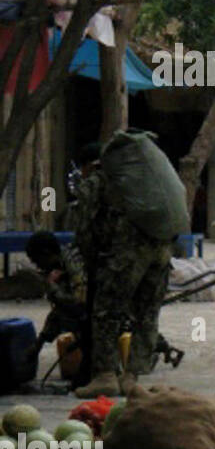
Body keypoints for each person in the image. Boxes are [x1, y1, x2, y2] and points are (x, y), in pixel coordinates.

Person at [69, 141, 175, 397]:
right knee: (147, 313)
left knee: (106, 312)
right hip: (162, 249)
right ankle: (132, 377)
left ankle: (105, 375)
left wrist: (91, 262)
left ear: (87, 165)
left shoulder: (98, 178)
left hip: (127, 252)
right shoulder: (145, 176)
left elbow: (84, 227)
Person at [24, 230, 87, 366]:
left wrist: (53, 288)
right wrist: (38, 344)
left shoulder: (73, 262)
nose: (38, 266)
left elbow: (80, 302)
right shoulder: (57, 267)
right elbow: (59, 312)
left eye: (37, 261)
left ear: (46, 254)